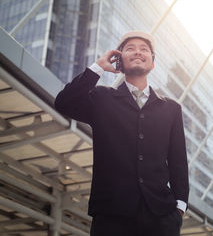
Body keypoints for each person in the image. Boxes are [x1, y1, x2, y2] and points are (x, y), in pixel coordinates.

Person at [55, 31, 189, 236]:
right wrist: (98, 67)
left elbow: (178, 160)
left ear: (153, 63)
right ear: (119, 61)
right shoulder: (101, 98)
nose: (137, 52)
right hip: (111, 215)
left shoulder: (171, 108)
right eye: (130, 49)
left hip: (162, 218)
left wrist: (180, 206)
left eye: (144, 49)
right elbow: (64, 102)